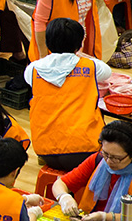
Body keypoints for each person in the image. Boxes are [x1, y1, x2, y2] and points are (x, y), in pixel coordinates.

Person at [26, 17, 109, 171]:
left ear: (48, 42)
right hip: (85, 150)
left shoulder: (33, 69)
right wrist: (81, 56)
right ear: (79, 44)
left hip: (44, 150)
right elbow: (107, 71)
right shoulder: (92, 66)